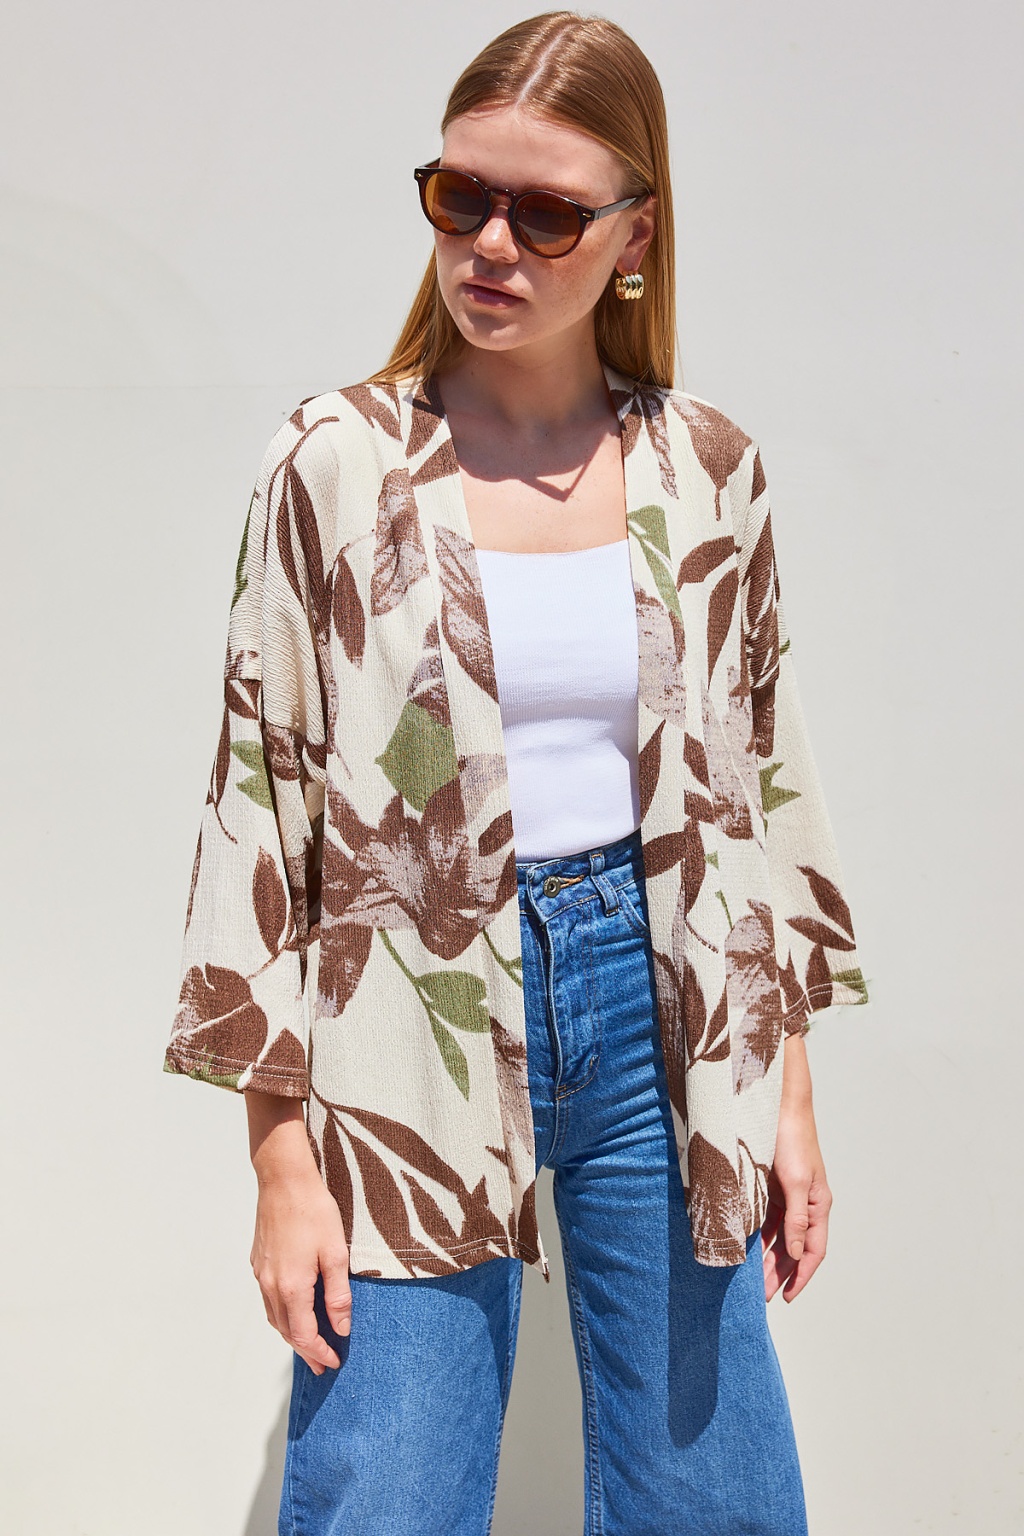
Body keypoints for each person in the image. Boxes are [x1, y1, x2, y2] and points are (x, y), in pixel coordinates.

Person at [164, 12, 869, 1534]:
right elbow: (259, 809)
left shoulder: (709, 469)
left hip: (665, 1003)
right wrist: (281, 1164)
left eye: (546, 213)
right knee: (388, 1492)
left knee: (714, 1497)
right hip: (399, 1013)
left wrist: (791, 1100)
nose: (490, 242)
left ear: (634, 236)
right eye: (460, 195)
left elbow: (756, 795)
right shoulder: (336, 462)